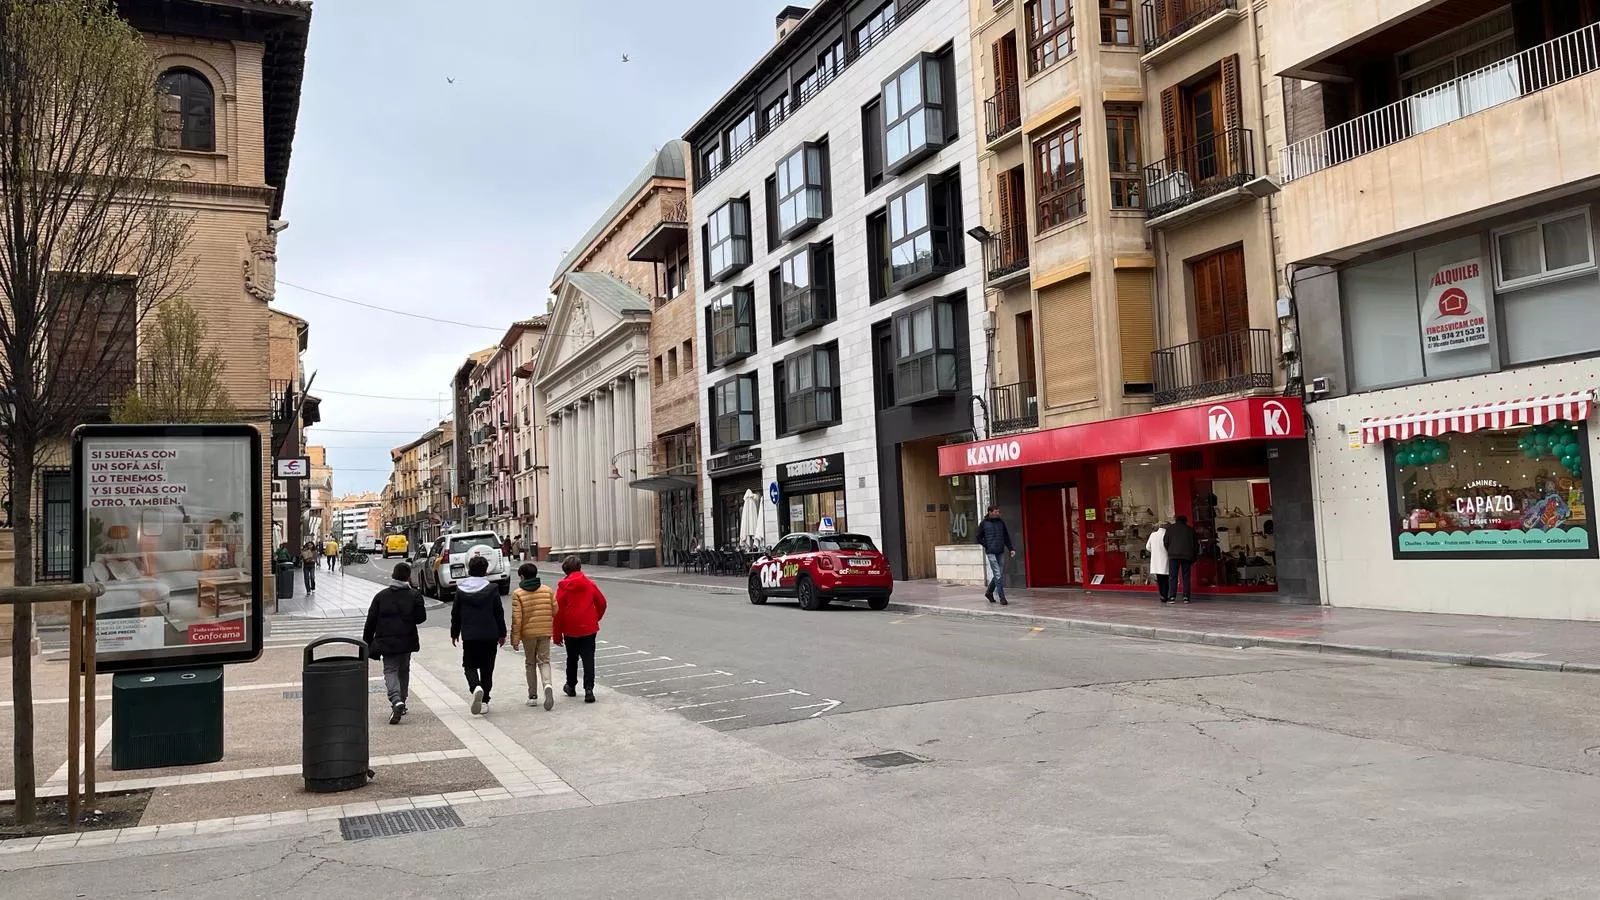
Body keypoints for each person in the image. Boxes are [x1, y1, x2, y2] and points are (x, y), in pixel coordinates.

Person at [363, 562, 428, 725]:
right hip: (406, 640)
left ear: (393, 575)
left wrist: (367, 642)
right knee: (404, 669)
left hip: (386, 641)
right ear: (407, 577)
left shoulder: (380, 596)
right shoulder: (414, 595)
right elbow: (421, 618)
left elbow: (370, 621)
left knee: (390, 670)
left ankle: (396, 699)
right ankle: (402, 702)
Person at [451, 554, 506, 715]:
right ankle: (485, 700)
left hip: (470, 634)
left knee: (469, 665)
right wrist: (502, 633)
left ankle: (475, 687)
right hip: (490, 634)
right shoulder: (492, 589)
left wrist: (455, 632)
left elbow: (456, 614)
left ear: (469, 569)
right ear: (486, 570)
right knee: (487, 668)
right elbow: (499, 613)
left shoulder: (461, 590)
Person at [553, 555, 606, 703]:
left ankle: (571, 685)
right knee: (588, 658)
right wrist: (595, 618)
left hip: (570, 628)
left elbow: (558, 612)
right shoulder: (590, 584)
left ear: (565, 570)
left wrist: (557, 635)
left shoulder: (563, 588)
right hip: (588, 627)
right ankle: (589, 689)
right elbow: (602, 603)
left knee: (572, 658)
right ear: (580, 567)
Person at [510, 562, 556, 711]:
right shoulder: (547, 591)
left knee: (530, 663)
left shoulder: (518, 593)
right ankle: (547, 684)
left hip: (528, 634)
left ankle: (533, 696)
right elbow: (556, 610)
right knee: (544, 661)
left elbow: (517, 619)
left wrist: (515, 639)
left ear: (522, 576)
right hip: (545, 631)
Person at [974, 505, 1016, 606]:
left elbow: (1006, 536)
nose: (998, 513)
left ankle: (989, 592)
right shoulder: (984, 524)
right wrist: (987, 545)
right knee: (998, 574)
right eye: (996, 512)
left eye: (998, 512)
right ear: (990, 512)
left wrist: (1011, 549)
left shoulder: (1001, 522)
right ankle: (1002, 598)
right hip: (991, 552)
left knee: (999, 574)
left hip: (1000, 551)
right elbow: (978, 537)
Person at [1163, 514, 1199, 603]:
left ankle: (1172, 597)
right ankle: (1186, 597)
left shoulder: (1170, 529)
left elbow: (1165, 542)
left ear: (1176, 520)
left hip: (1173, 556)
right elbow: (1195, 545)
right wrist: (1194, 556)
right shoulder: (1190, 530)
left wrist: (1170, 550)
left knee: (1173, 576)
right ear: (1185, 521)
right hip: (1186, 556)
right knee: (1186, 576)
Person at [1145, 523, 1170, 603]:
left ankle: (1162, 595)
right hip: (1165, 559)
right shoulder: (1166, 535)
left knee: (1159, 579)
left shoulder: (1153, 535)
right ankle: (1165, 595)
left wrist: (1154, 551)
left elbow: (1147, 547)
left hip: (1155, 560)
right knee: (1166, 579)